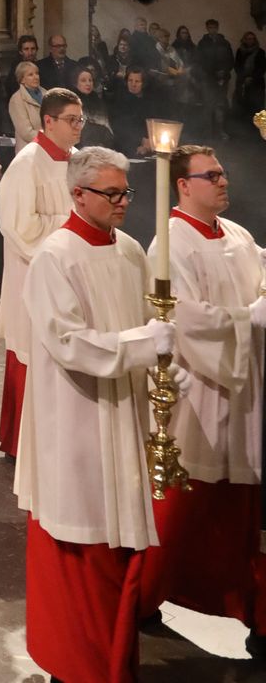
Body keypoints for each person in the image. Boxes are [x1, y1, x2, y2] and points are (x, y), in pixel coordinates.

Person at [16, 145, 185, 683]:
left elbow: (147, 324)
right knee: (84, 543)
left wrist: (165, 362)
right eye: (111, 194)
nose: (122, 202)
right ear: (78, 194)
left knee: (122, 544)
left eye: (125, 192)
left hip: (126, 410)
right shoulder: (54, 257)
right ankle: (79, 665)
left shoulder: (132, 251)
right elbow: (71, 344)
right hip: (78, 417)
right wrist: (144, 343)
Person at [138, 144, 266, 654]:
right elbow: (183, 319)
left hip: (246, 391)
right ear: (183, 185)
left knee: (241, 513)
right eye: (211, 175)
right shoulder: (169, 245)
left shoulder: (235, 234)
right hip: (200, 394)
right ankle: (145, 596)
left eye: (223, 172)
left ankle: (250, 607)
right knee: (184, 507)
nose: (223, 180)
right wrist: (247, 320)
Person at [0, 86, 82, 457]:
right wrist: (71, 225)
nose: (79, 127)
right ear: (48, 121)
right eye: (72, 120)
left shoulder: (78, 159)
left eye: (81, 120)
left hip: (70, 273)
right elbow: (18, 226)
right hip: (33, 273)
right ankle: (24, 443)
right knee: (32, 348)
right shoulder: (27, 162)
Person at [7, 60, 43, 150]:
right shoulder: (17, 100)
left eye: (37, 73)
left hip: (48, 150)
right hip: (28, 150)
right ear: (22, 79)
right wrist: (48, 141)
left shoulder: (47, 94)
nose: (36, 77)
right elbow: (26, 133)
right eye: (30, 75)